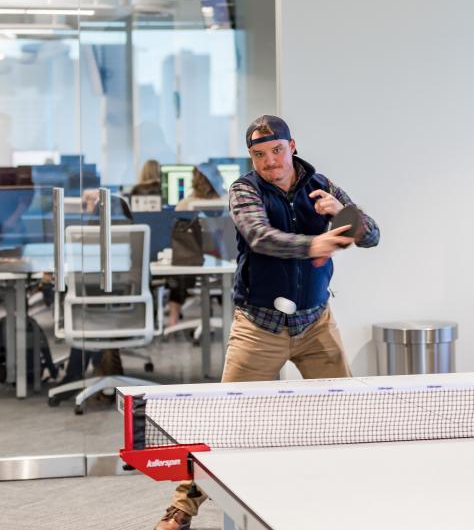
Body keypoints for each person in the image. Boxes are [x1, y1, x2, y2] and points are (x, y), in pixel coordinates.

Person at [155, 115, 381, 530]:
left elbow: (372, 236)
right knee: (226, 423)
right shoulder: (244, 189)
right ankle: (182, 507)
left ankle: (353, 500)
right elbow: (258, 236)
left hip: (316, 326)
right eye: (259, 155)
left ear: (291, 146)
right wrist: (315, 243)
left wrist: (344, 213)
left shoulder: (323, 185)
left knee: (346, 416)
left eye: (276, 151)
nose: (269, 161)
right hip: (258, 327)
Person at [165, 163, 226, 329]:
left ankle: (173, 318)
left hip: (194, 263)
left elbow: (176, 235)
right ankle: (230, 315)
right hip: (224, 263)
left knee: (178, 269)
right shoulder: (227, 200)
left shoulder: (186, 203)